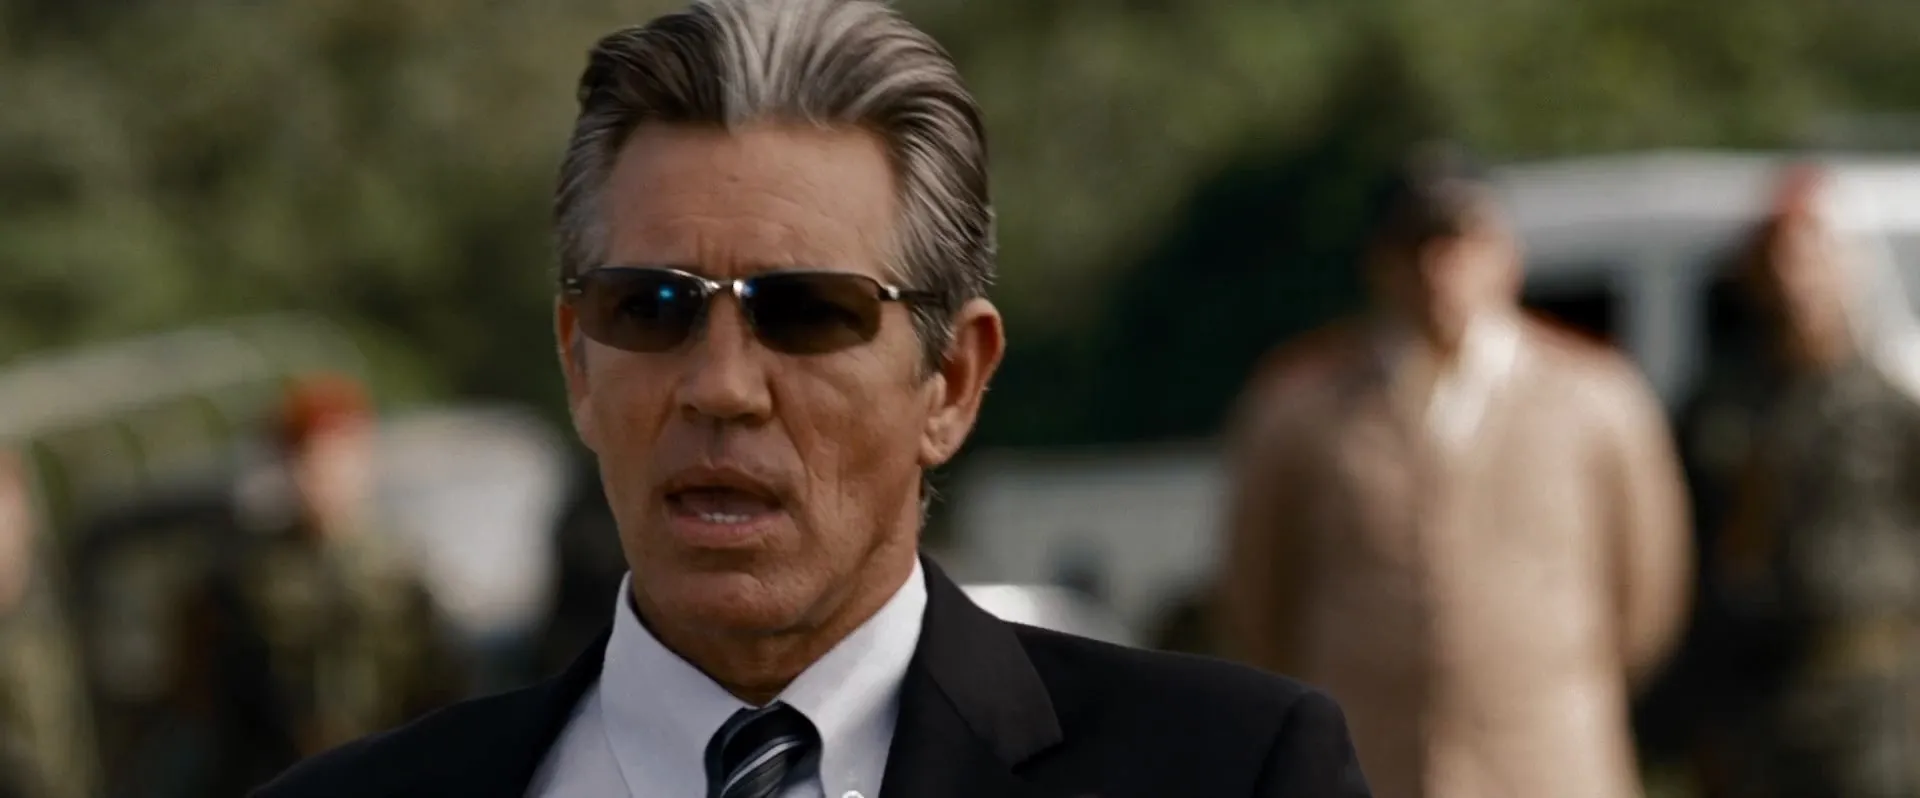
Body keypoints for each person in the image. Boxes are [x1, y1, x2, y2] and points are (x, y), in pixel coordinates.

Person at [253, 2, 1372, 796]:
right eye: (649, 308)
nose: (722, 386)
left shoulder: (1227, 771)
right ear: (579, 364)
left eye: (807, 313)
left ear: (952, 381)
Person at [1215, 143, 1691, 798]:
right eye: (1416, 248)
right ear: (1378, 263)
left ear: (1508, 254)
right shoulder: (1301, 409)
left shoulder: (1598, 399)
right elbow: (1258, 597)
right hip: (1367, 761)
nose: (1440, 270)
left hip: (1550, 762)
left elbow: (1648, 595)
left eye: (1463, 243)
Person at [1690, 167, 1920, 798]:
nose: (1797, 278)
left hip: (1874, 700)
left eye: (1812, 256)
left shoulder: (1892, 405)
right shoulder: (1721, 405)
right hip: (1757, 700)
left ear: (1846, 269)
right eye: (1780, 259)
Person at [0, 447, 99, 798]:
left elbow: (11, 570)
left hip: (24, 630)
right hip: (22, 627)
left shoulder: (8, 477)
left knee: (49, 754)